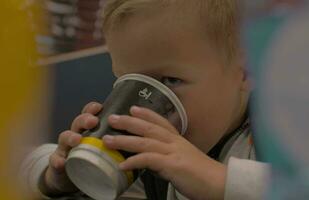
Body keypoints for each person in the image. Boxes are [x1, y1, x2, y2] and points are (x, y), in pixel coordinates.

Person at [22, 0, 270, 199]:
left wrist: (218, 180)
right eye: (128, 81)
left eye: (171, 80)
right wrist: (55, 177)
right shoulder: (145, 142)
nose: (146, 101)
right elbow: (14, 164)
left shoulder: (280, 133)